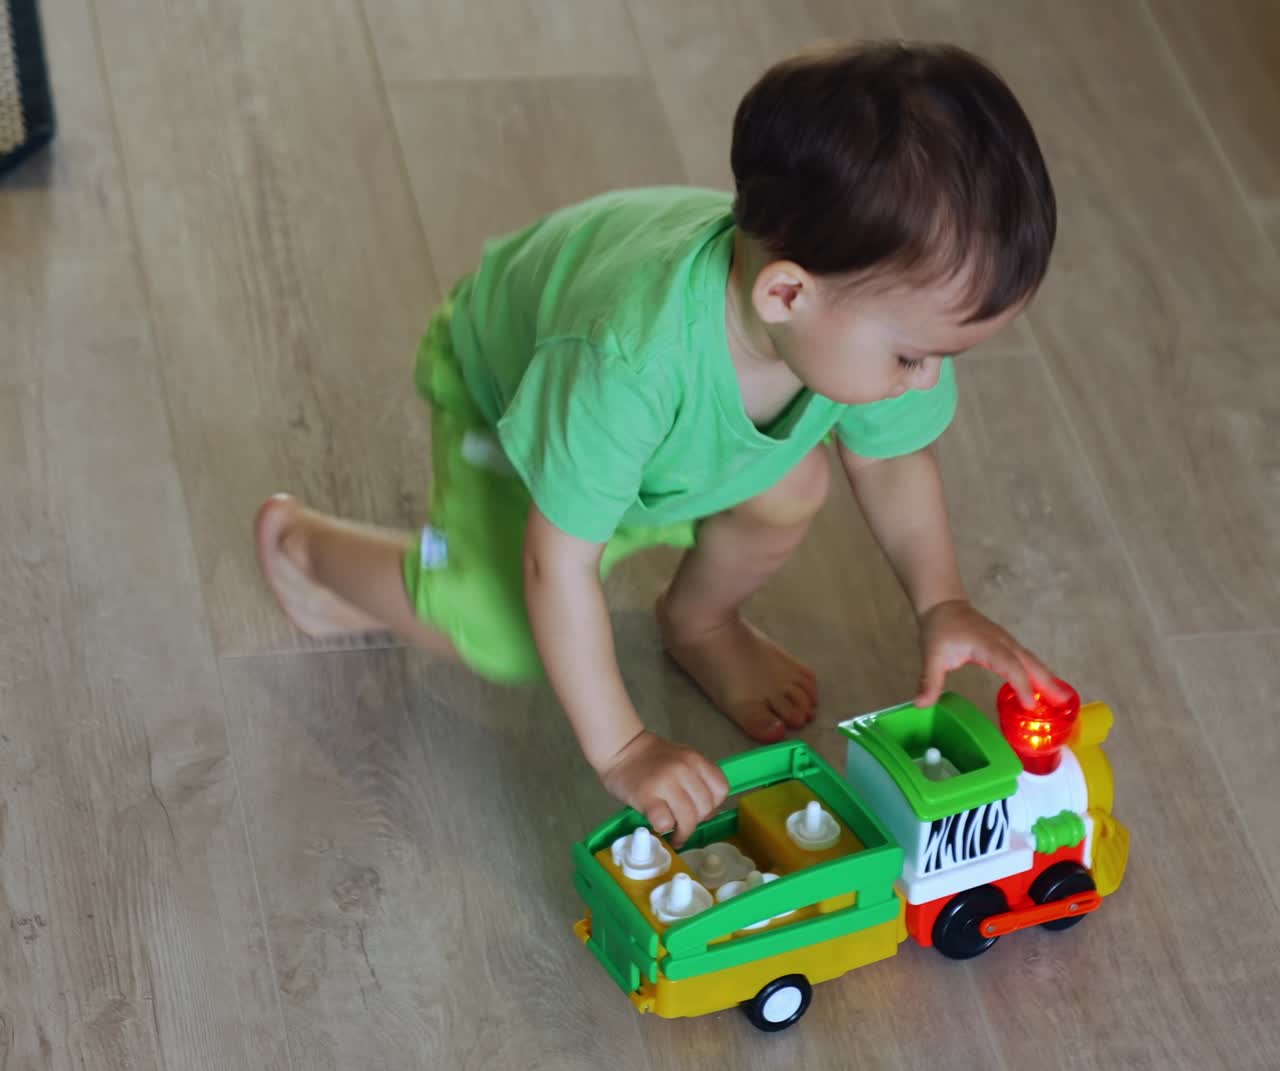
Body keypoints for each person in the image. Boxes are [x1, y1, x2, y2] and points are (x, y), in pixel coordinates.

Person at [255, 41, 1067, 846]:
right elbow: (557, 562)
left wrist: (941, 602)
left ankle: (700, 624)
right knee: (502, 625)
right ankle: (309, 552)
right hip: (516, 402)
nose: (927, 380)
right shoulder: (625, 362)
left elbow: (889, 459)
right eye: (912, 356)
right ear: (787, 292)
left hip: (657, 439)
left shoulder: (823, 317)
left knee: (791, 487)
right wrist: (626, 748)